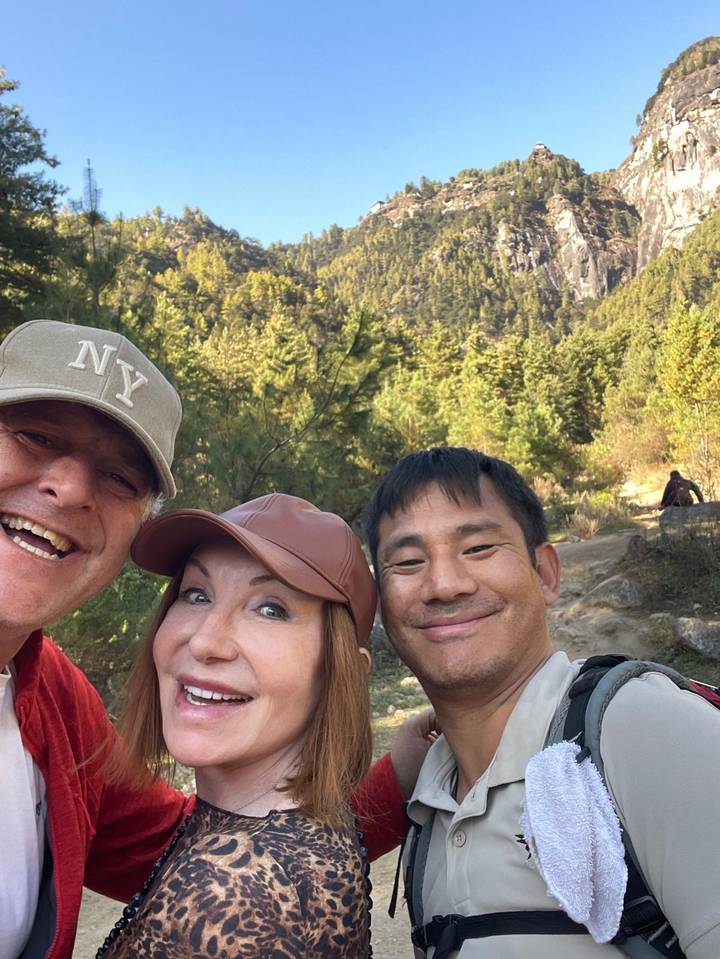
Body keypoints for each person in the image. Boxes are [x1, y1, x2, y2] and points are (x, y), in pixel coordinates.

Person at [0, 319, 413, 959]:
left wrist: (405, 775)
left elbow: (197, 841)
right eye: (33, 435)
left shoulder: (53, 700)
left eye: (119, 477)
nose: (71, 487)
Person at [365, 446, 720, 958]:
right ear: (382, 605)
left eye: (479, 547)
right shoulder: (429, 805)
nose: (443, 584)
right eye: (407, 562)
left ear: (547, 574)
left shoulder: (638, 730)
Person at [96, 493, 379, 956]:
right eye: (196, 594)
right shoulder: (303, 831)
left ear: (339, 671)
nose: (206, 639)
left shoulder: (231, 884)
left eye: (270, 608)